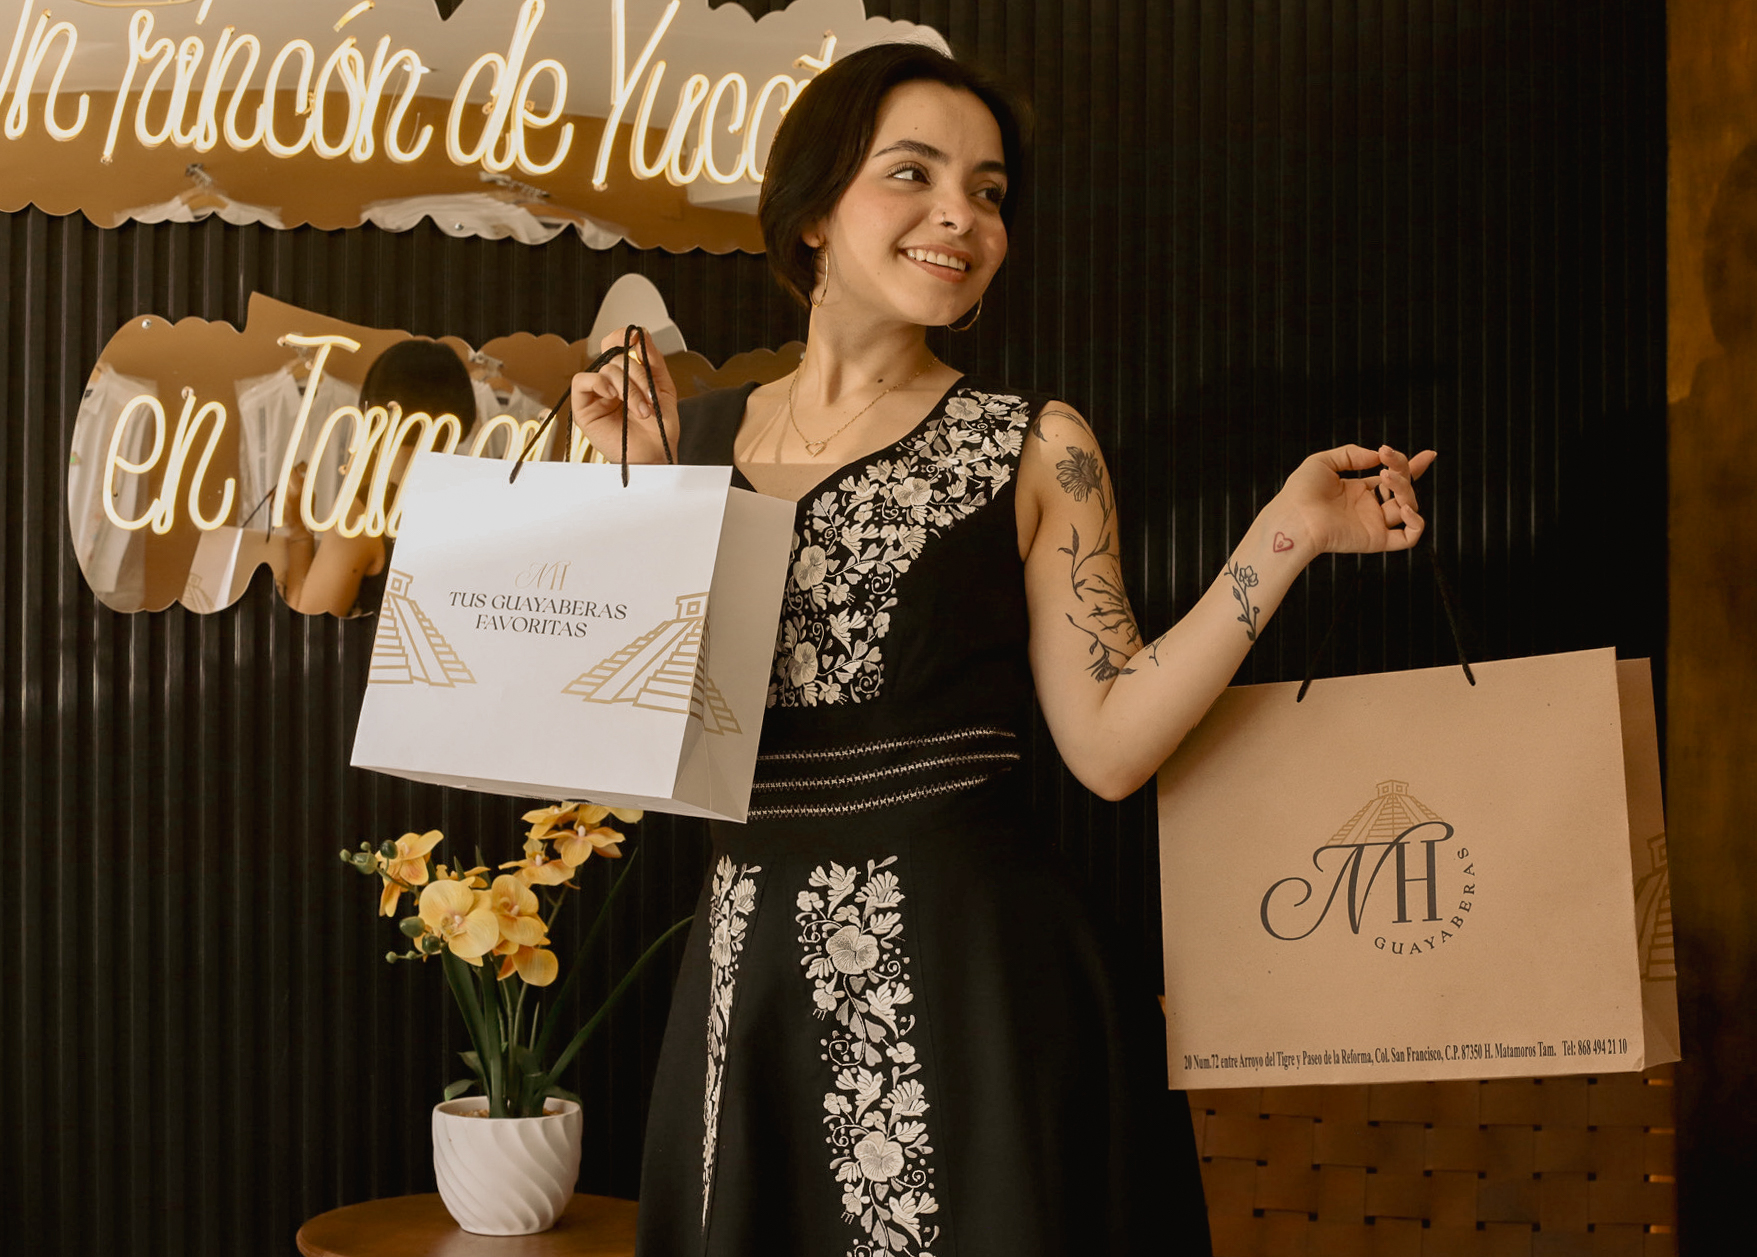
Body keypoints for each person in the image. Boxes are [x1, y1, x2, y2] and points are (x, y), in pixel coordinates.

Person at [570, 43, 1433, 1256]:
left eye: (987, 192)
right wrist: (625, 495)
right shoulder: (692, 435)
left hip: (975, 984)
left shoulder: (1034, 445)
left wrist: (1286, 532)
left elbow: (1110, 744)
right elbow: (610, 745)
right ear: (814, 208)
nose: (957, 218)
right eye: (911, 175)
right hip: (747, 979)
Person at [280, 339, 478, 617]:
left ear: (372, 409)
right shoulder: (469, 505)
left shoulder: (364, 518)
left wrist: (298, 531)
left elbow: (305, 624)